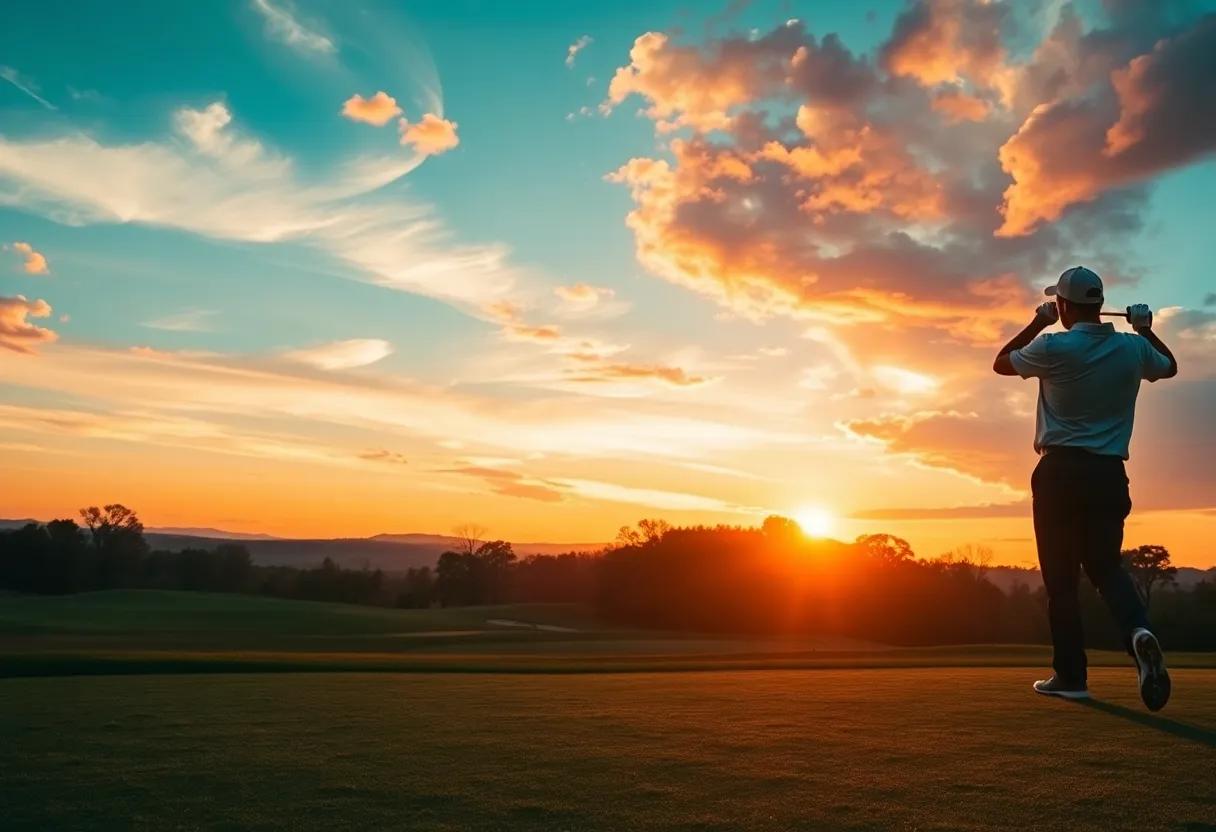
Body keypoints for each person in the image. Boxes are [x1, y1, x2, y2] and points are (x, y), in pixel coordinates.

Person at [992, 266, 1177, 712]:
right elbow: (1168, 367)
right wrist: (1147, 330)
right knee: (1106, 568)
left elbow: (1002, 362)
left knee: (1061, 579)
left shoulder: (1053, 344)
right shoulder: (1132, 347)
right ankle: (1137, 633)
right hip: (1108, 474)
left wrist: (1039, 322)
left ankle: (1072, 677)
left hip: (1059, 474)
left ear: (1063, 305)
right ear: (1099, 303)